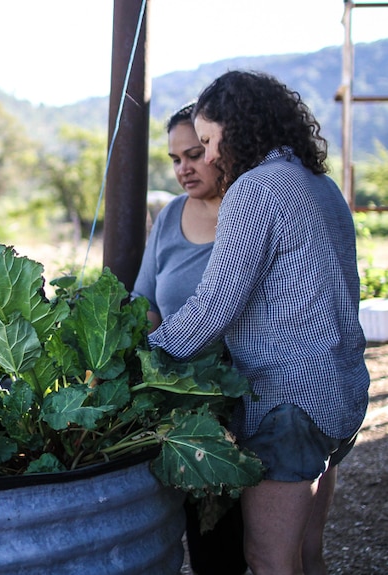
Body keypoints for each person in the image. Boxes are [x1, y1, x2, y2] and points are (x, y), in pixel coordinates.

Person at [148, 70, 370, 575]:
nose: (204, 155)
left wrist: (144, 358)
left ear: (239, 128)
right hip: (338, 392)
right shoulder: (321, 185)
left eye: (206, 141)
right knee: (306, 554)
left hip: (287, 402)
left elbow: (215, 303)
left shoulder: (254, 188)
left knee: (268, 558)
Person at [132, 103, 248, 575]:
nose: (183, 168)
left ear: (221, 148)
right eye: (175, 159)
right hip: (175, 396)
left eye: (195, 154)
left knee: (229, 545)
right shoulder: (169, 217)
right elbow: (144, 297)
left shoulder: (249, 211)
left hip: (237, 401)